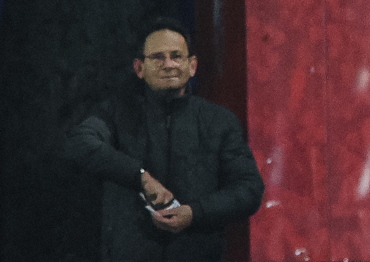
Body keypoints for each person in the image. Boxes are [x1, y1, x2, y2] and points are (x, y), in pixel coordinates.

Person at [66, 17, 264, 261]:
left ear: (192, 66)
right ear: (139, 68)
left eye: (176, 56)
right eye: (158, 57)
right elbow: (80, 143)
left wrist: (195, 213)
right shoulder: (117, 114)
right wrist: (140, 177)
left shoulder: (219, 121)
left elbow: (249, 189)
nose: (168, 64)